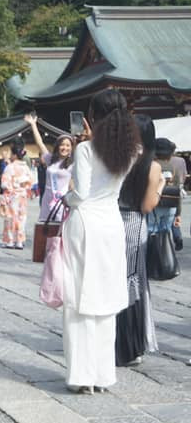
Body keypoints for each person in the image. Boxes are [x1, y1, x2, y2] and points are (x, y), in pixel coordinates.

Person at [62, 89, 139, 394]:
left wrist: (65, 198)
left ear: (95, 116)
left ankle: (81, 376)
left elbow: (80, 194)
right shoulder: (131, 151)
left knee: (80, 299)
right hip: (111, 223)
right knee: (105, 301)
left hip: (85, 222)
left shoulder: (85, 150)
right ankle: (103, 376)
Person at [115, 114, 161, 367]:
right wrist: (161, 188)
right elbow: (146, 206)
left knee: (114, 279)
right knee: (133, 281)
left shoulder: (119, 159)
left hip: (113, 221)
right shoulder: (151, 166)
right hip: (134, 224)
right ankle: (132, 343)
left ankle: (113, 339)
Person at [26, 113, 74, 222]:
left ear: (71, 148)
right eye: (62, 144)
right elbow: (40, 143)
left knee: (58, 233)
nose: (64, 148)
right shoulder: (50, 159)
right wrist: (33, 124)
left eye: (67, 145)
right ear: (57, 146)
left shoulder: (73, 165)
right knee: (46, 231)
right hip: (47, 199)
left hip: (61, 202)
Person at [0, 138, 33, 249]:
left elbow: (4, 184)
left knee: (10, 218)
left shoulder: (9, 167)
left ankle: (10, 241)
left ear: (14, 155)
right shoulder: (26, 168)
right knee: (21, 218)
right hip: (22, 195)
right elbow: (30, 182)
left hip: (12, 196)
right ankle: (19, 241)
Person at [149, 137, 182, 234]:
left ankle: (154, 249)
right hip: (171, 206)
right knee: (166, 233)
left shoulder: (151, 166)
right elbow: (178, 192)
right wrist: (178, 214)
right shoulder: (174, 168)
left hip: (154, 205)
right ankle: (165, 248)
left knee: (151, 231)